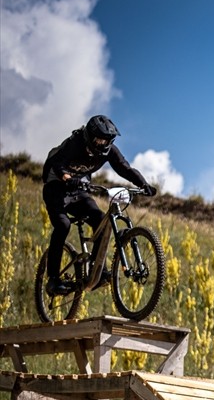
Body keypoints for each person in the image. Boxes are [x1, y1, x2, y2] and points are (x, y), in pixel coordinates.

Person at [41, 115, 155, 295]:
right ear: (89, 136)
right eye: (99, 139)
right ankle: (53, 280)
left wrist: (143, 184)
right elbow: (57, 163)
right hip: (56, 188)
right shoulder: (76, 143)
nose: (103, 143)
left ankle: (97, 271)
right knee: (63, 225)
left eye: (107, 140)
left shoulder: (109, 151)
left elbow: (125, 168)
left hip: (78, 192)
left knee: (102, 222)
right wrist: (67, 178)